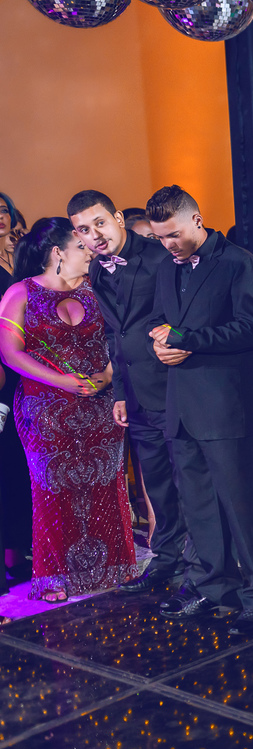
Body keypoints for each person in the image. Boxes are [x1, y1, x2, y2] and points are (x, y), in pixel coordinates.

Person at [145, 185, 253, 636]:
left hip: (228, 407)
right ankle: (212, 587)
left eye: (173, 235)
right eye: (160, 238)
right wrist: (158, 343)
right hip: (182, 406)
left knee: (244, 510)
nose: (168, 245)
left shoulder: (239, 262)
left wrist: (186, 340)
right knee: (200, 507)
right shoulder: (166, 268)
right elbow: (158, 320)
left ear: (197, 219)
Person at [0, 217, 139, 602]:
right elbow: (10, 352)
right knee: (53, 490)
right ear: (58, 252)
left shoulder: (100, 288)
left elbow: (121, 337)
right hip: (44, 409)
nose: (90, 250)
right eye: (81, 246)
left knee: (106, 484)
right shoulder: (21, 292)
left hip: (101, 405)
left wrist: (107, 375)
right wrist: (60, 381)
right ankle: (54, 578)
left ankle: (113, 568)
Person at [67, 190, 192, 593]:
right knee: (156, 484)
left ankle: (201, 568)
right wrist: (119, 392)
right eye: (84, 230)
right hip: (135, 395)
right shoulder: (98, 269)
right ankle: (167, 559)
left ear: (118, 218)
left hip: (173, 387)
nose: (95, 235)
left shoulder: (159, 257)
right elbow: (114, 334)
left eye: (100, 223)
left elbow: (183, 317)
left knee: (189, 482)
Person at [0, 191, 33, 589]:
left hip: (29, 372)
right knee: (8, 462)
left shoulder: (20, 256)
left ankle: (23, 546)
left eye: (3, 210)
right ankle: (11, 554)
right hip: (4, 374)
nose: (0, 217)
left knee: (25, 463)